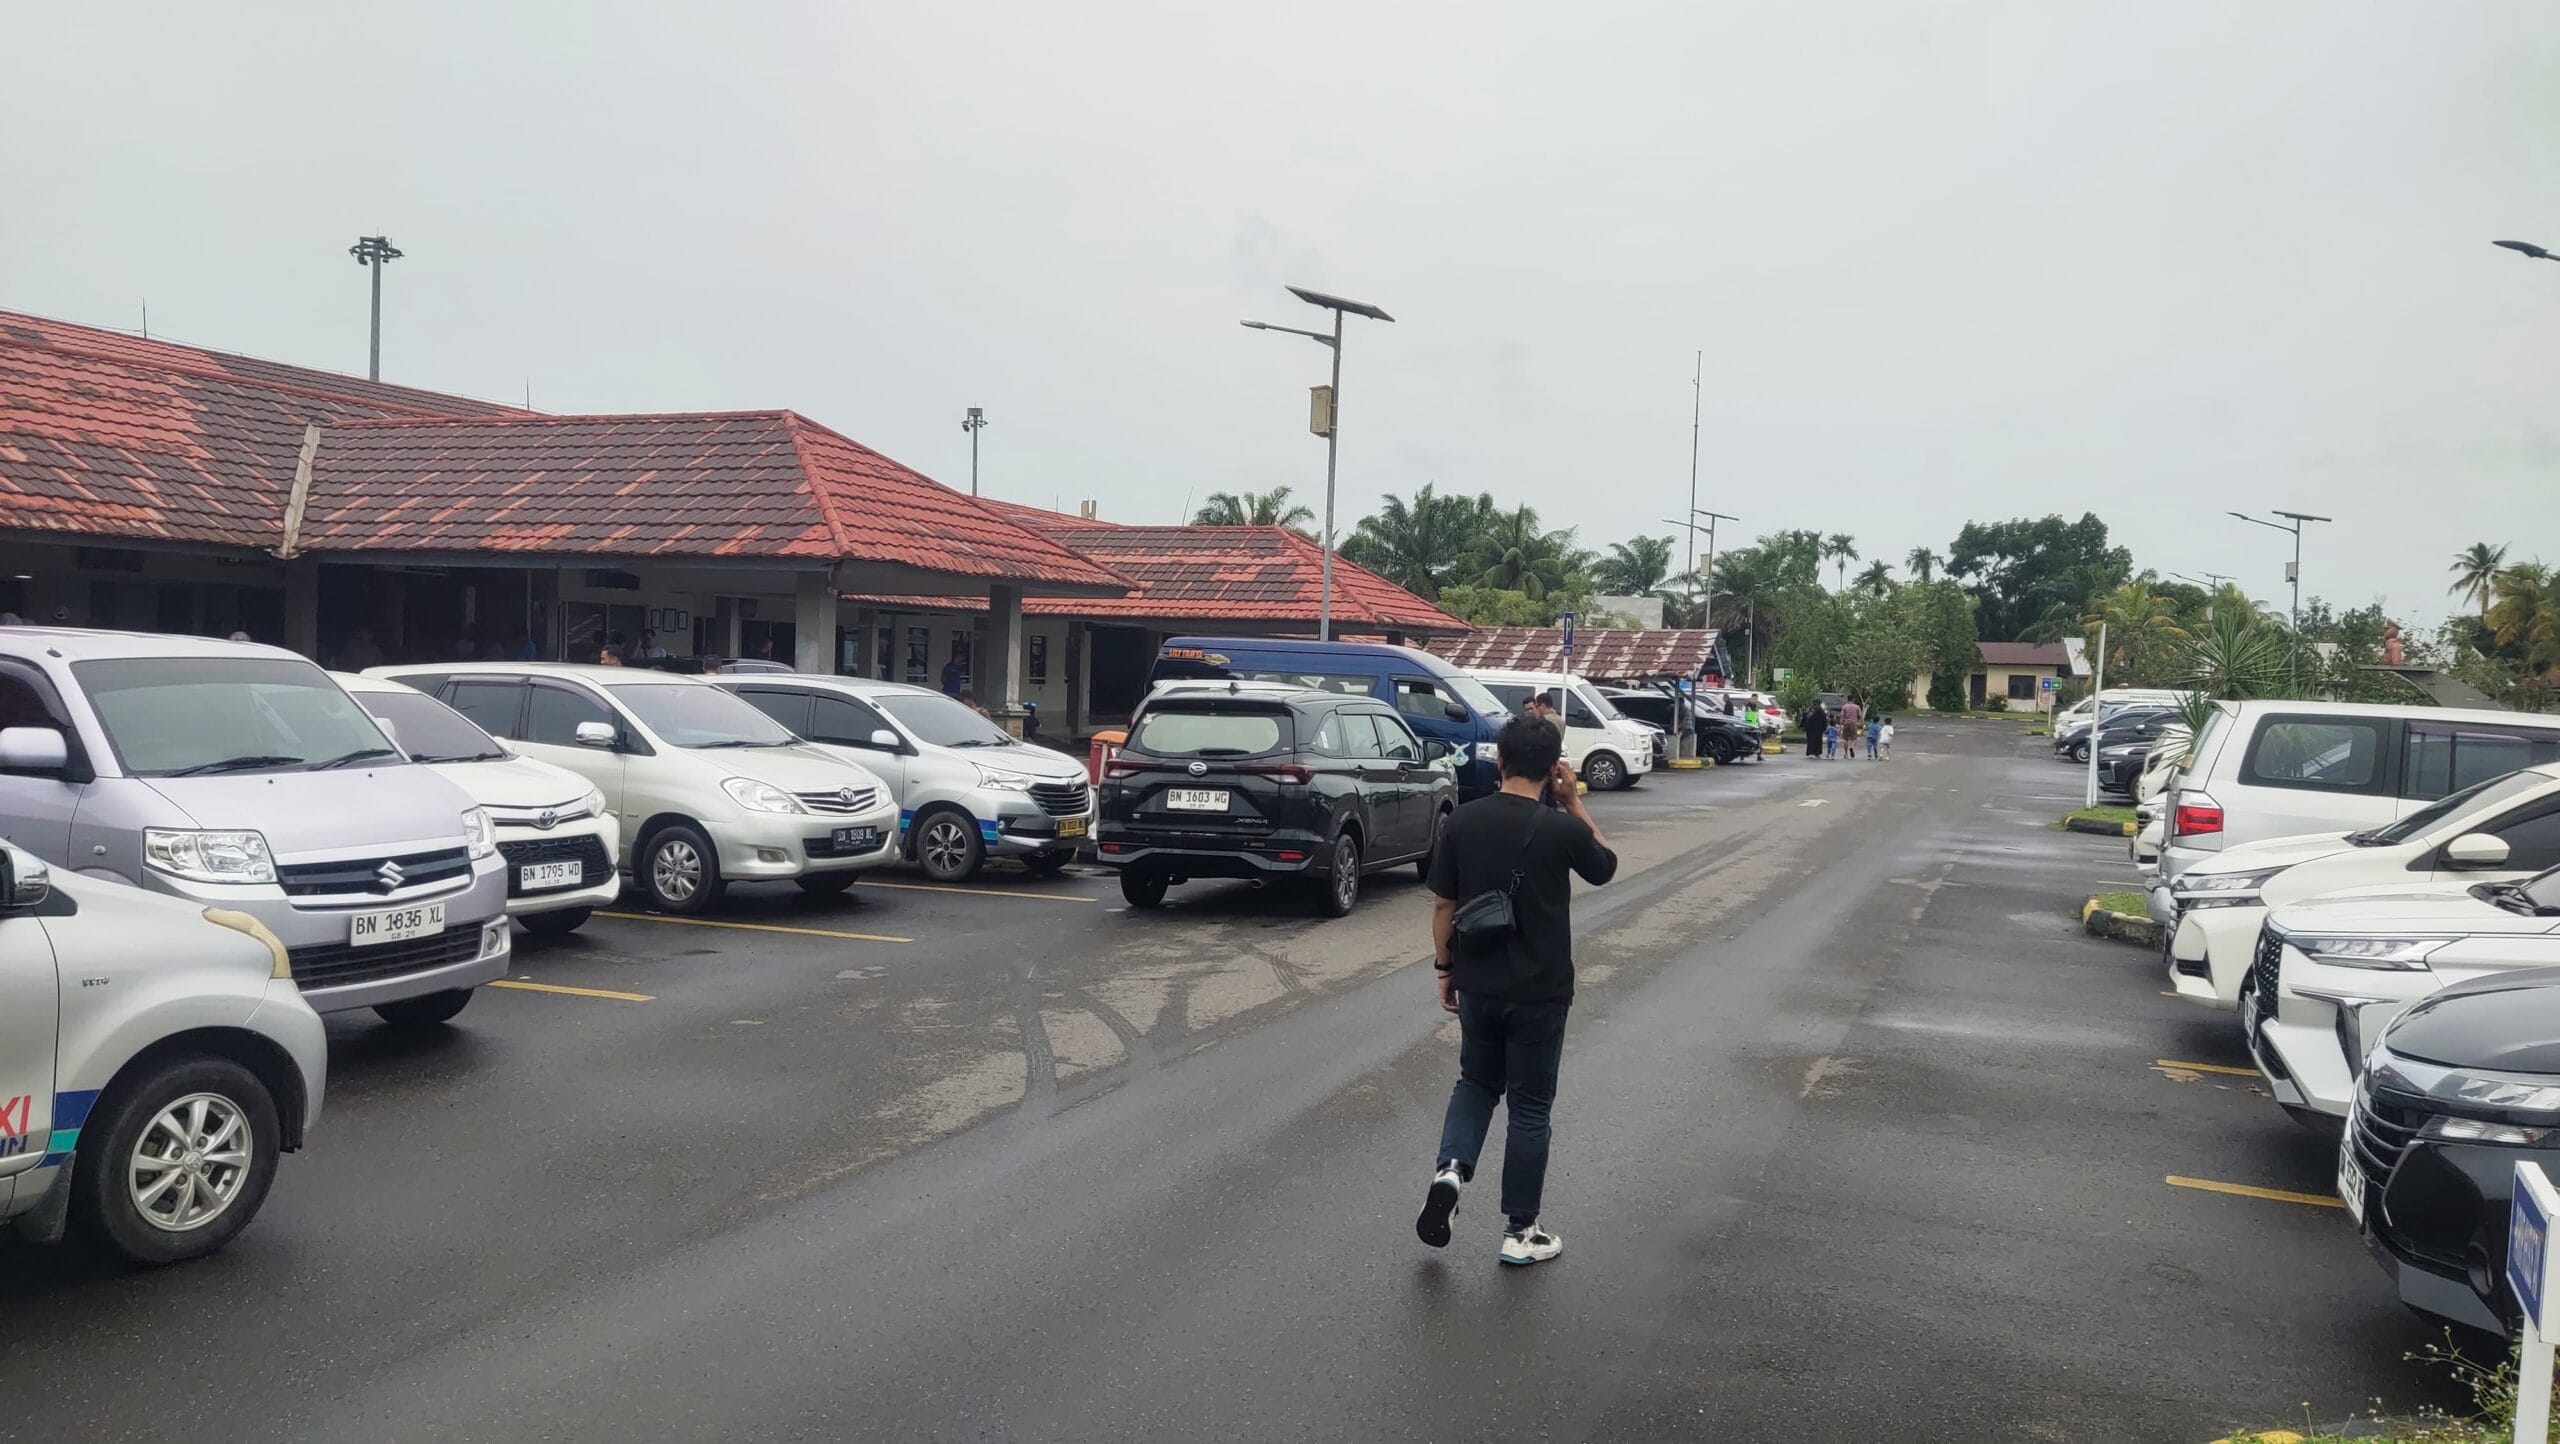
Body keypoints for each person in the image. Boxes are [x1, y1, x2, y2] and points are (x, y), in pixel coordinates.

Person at [1417, 713, 1618, 1267]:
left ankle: (1450, 1172)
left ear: (1499, 761)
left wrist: (1445, 969)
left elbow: (1444, 905)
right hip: (1540, 991)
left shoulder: (1463, 821)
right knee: (1529, 1106)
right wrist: (1573, 803)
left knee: (1476, 1083)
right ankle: (1520, 1230)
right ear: (1554, 768)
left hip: (1478, 983)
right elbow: (1605, 866)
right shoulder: (1562, 829)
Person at [1836, 696, 1862, 761]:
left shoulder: (1844, 707)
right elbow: (1860, 716)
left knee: (1845, 739)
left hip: (1846, 724)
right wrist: (1858, 721)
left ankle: (1846, 754)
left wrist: (1840, 726)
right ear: (1854, 699)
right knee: (1854, 738)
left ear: (1847, 699)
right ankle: (1851, 747)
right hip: (1854, 724)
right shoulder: (1857, 707)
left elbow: (1842, 716)